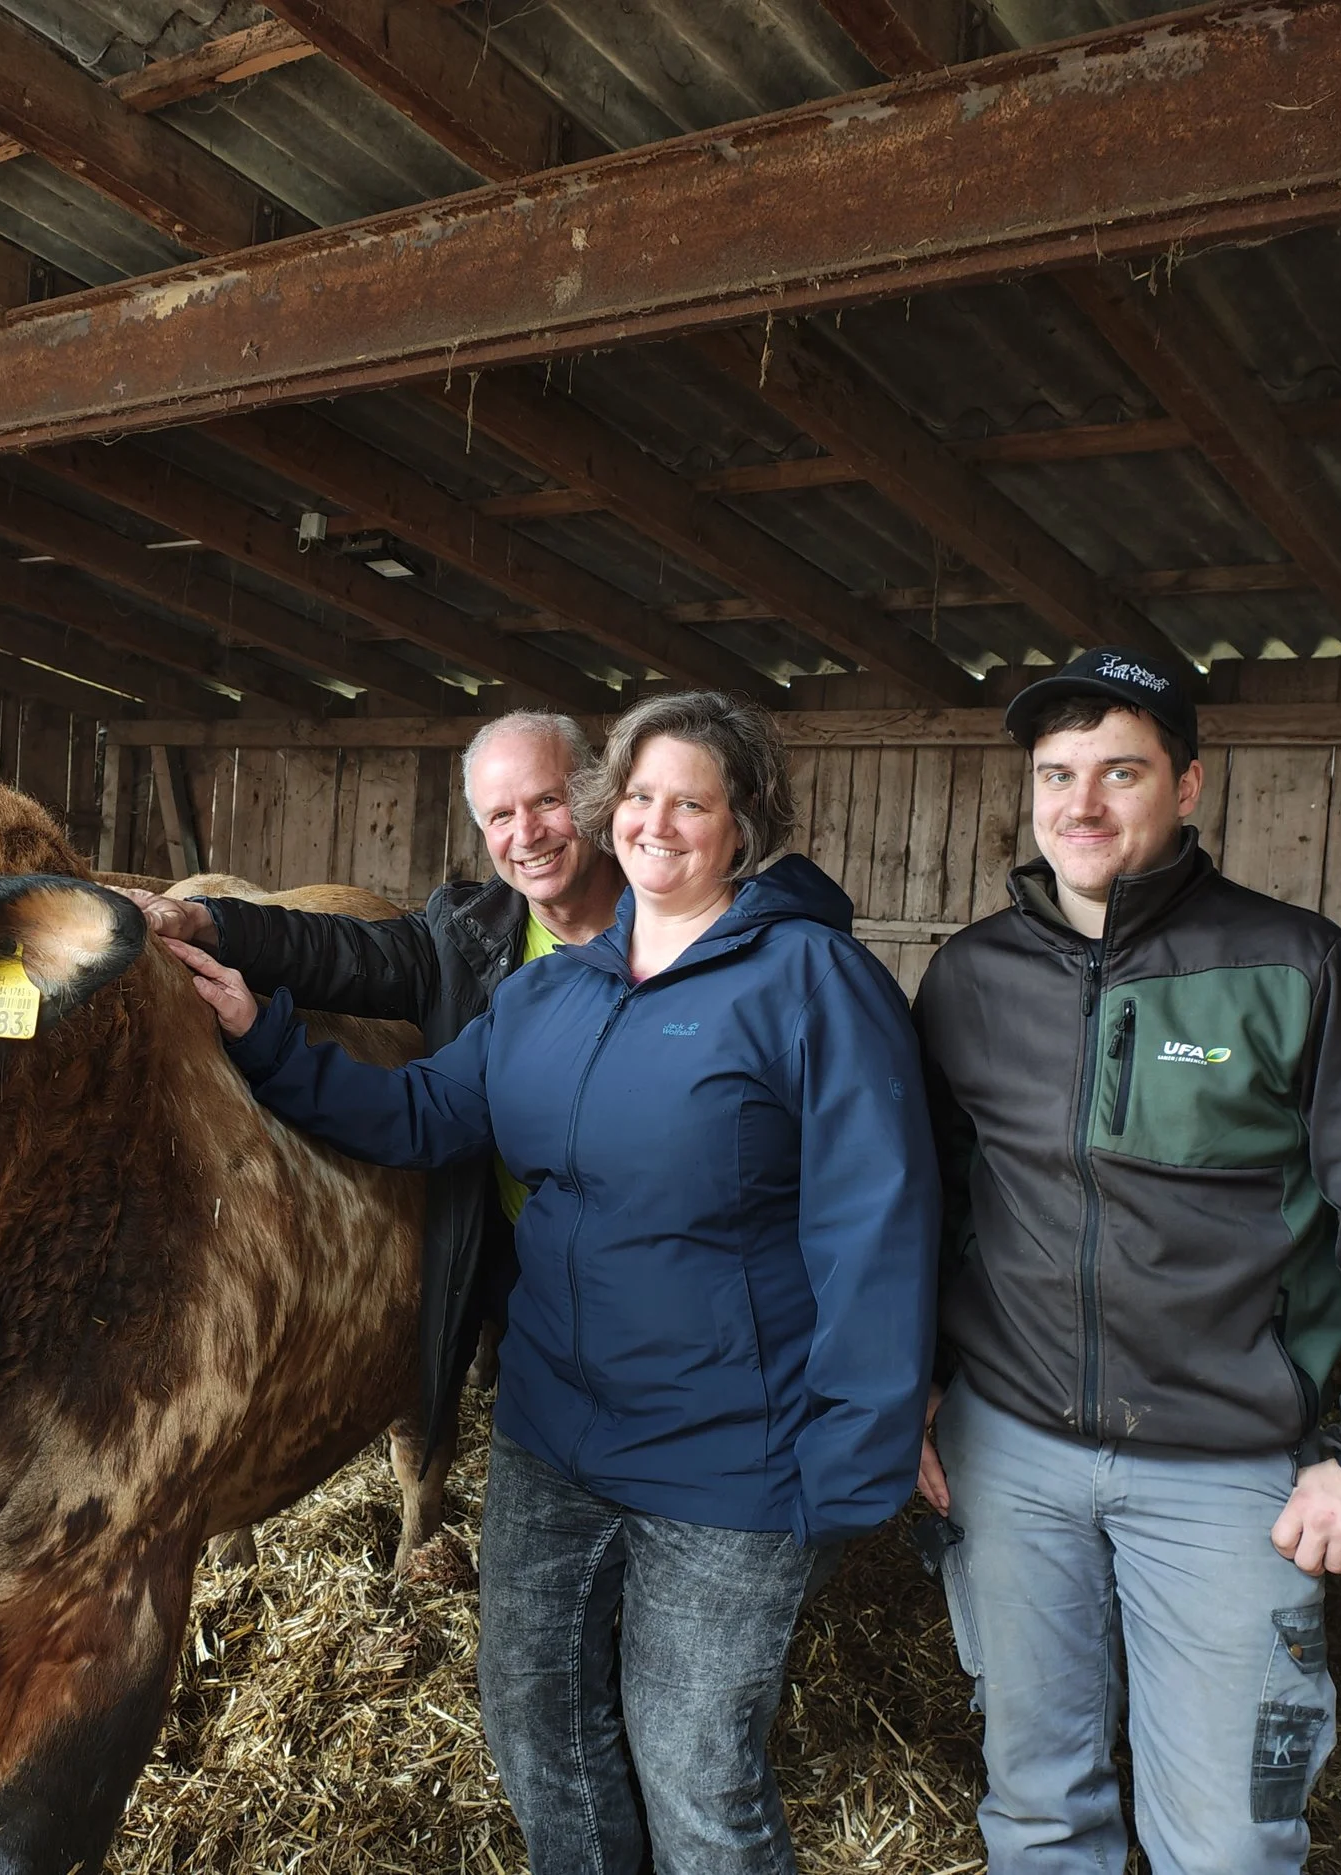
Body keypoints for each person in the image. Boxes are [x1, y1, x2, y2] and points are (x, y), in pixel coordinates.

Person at [167, 692, 940, 1875]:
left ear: (744, 824)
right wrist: (258, 1032)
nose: (657, 823)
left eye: (692, 801)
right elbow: (425, 1113)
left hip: (730, 1461)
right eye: (640, 797)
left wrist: (853, 1460)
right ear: (609, 810)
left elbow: (877, 1221)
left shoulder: (811, 983)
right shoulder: (548, 991)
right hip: (552, 1439)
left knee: (697, 1776)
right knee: (540, 1738)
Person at [912, 647, 1341, 1874]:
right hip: (1006, 1450)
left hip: (1227, 1471)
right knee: (1034, 1804)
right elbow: (928, 1203)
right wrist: (911, 1389)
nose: (1081, 803)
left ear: (1188, 786)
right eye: (1056, 774)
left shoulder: (1298, 971)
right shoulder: (968, 977)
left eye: (1120, 771)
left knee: (1228, 1840)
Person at [121, 710, 625, 1464]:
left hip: (660, 1288)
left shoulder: (681, 938)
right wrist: (204, 925)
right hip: (529, 1267)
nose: (528, 832)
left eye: (547, 801)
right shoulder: (471, 937)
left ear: (594, 798)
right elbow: (338, 953)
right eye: (500, 813)